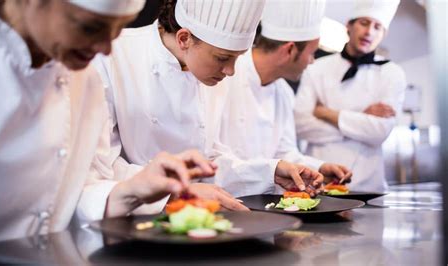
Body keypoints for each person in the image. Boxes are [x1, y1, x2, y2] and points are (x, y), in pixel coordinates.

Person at [0, 0, 214, 245]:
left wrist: (133, 190)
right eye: (90, 27)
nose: (106, 49)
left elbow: (72, 192)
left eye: (117, 30)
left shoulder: (84, 79)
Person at [94, 0, 324, 209]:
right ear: (184, 39)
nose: (231, 71)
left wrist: (269, 171)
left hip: (191, 220)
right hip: (127, 220)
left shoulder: (208, 74)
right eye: (223, 58)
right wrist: (176, 192)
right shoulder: (112, 57)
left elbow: (207, 164)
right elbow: (103, 169)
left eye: (237, 58)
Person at [205, 0, 352, 197]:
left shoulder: (284, 92)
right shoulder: (221, 75)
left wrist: (320, 167)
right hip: (217, 203)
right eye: (311, 53)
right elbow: (209, 156)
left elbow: (285, 153)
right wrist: (270, 170)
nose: (312, 61)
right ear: (289, 50)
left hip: (266, 207)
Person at [294, 0, 406, 191]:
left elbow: (379, 132)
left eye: (377, 27)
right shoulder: (316, 68)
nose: (369, 32)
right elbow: (301, 124)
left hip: (370, 186)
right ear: (349, 25)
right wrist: (361, 118)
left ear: (383, 34)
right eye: (364, 23)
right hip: (320, 182)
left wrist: (326, 113)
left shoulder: (392, 73)